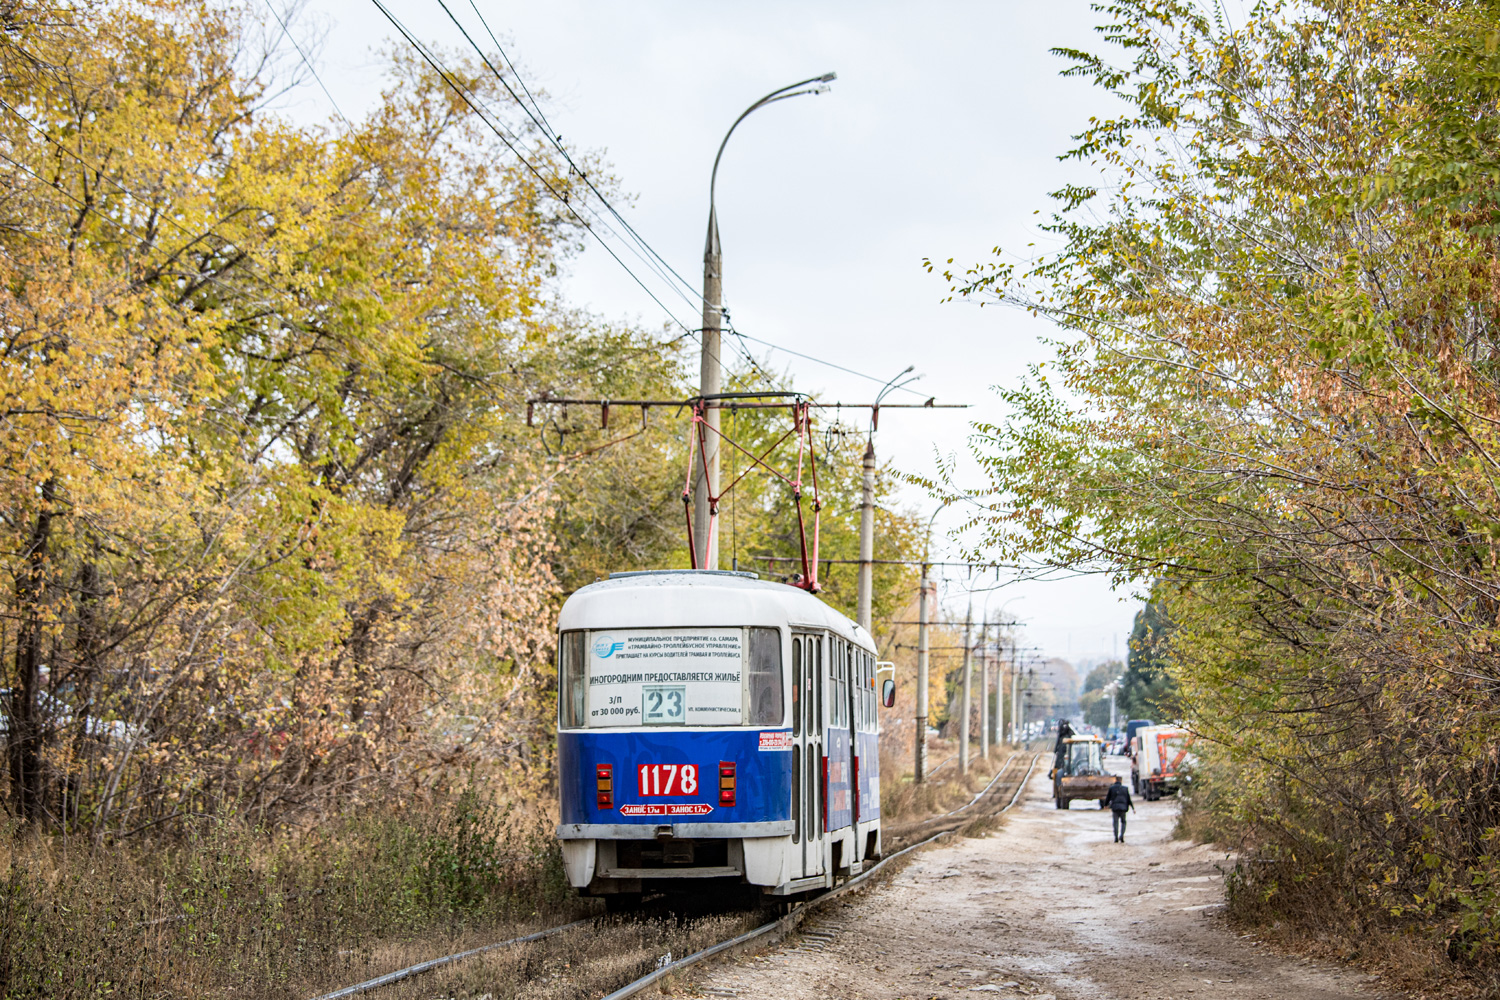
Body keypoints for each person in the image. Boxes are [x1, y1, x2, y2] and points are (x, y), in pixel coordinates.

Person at [1102, 775, 1134, 842]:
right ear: (1121, 781)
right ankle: (1121, 835)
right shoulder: (1125, 788)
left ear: (1115, 780)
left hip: (1115, 808)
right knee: (1123, 822)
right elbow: (1129, 799)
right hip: (1123, 808)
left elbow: (1108, 798)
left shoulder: (1112, 788)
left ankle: (1116, 838)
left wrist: (1105, 805)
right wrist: (1133, 808)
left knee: (1115, 823)